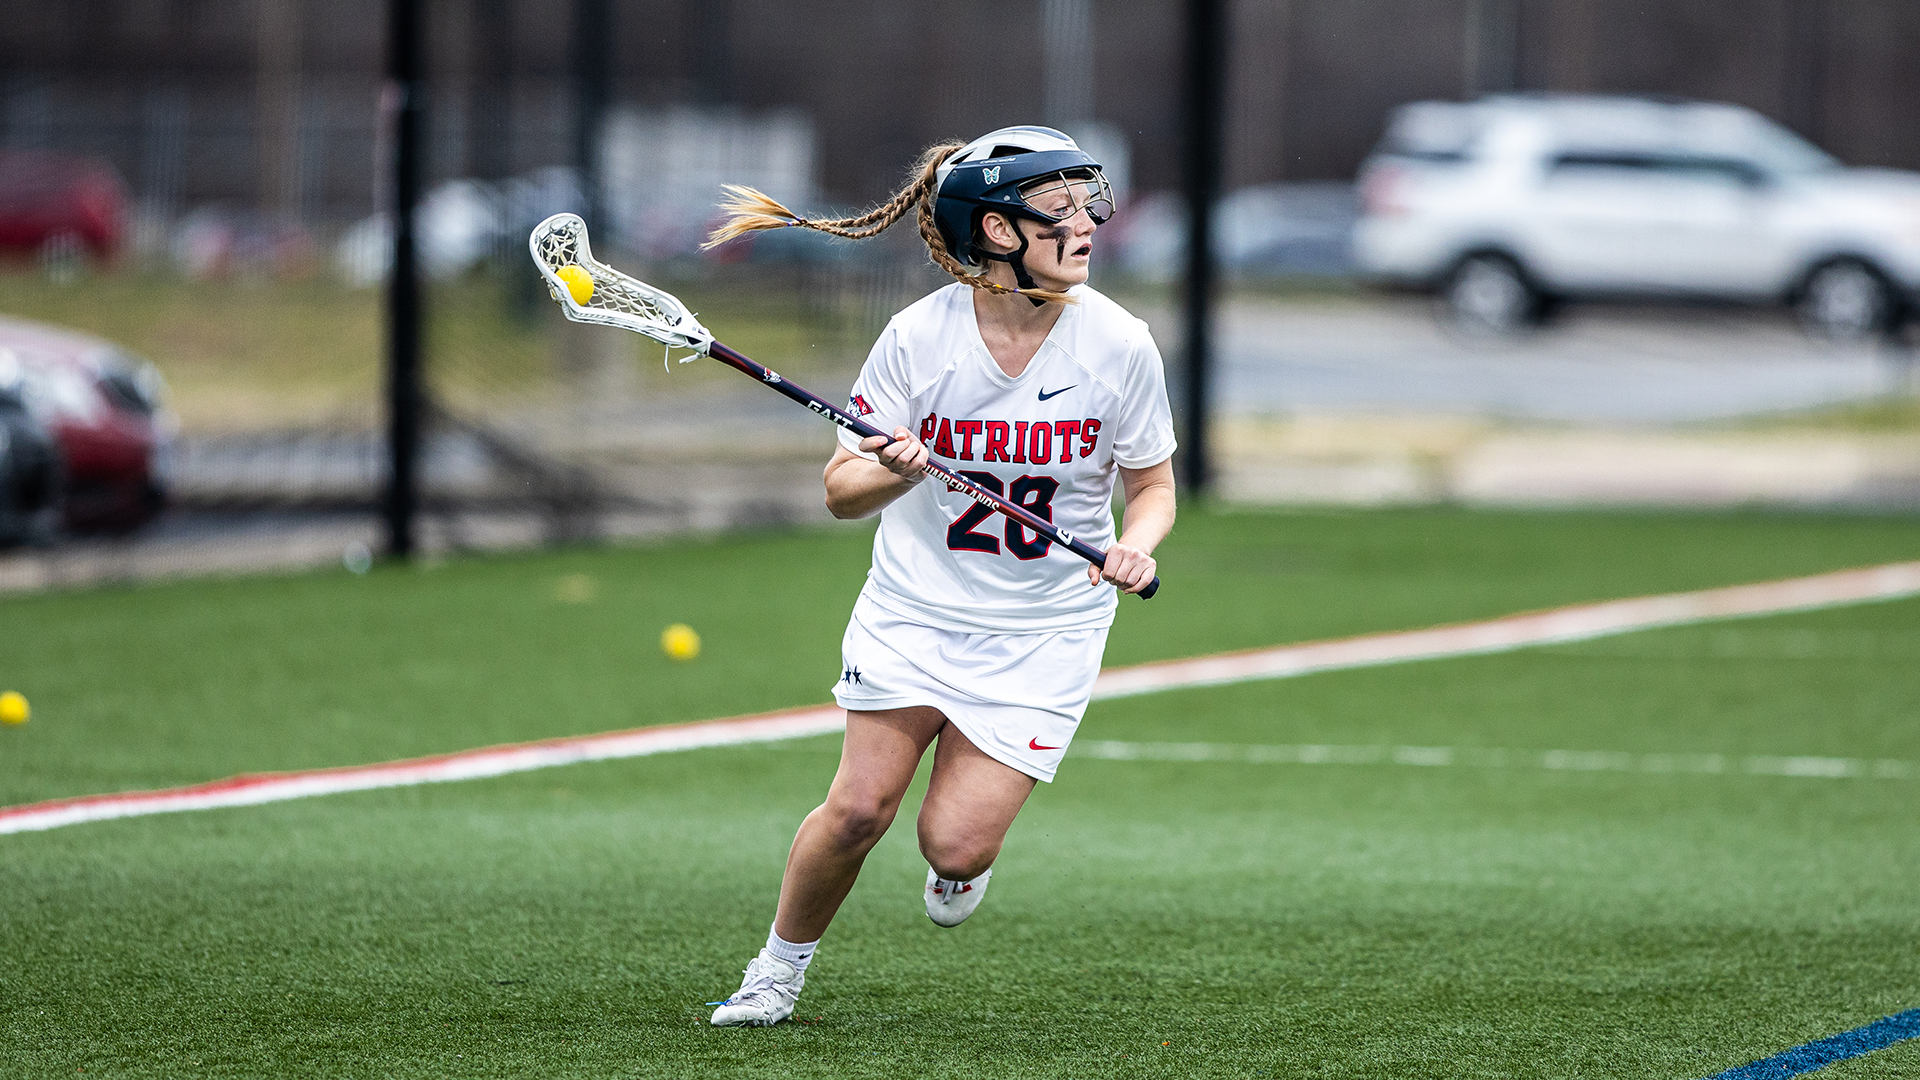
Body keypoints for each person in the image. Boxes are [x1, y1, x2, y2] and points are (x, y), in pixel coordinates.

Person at [701, 126, 1177, 1027]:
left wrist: (1137, 544)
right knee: (856, 810)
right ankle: (775, 973)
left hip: (1044, 630)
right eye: (1060, 207)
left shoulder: (1120, 346)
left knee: (952, 845)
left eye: (1087, 201)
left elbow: (1152, 487)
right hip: (913, 610)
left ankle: (962, 864)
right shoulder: (919, 339)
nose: (1086, 224)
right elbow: (843, 493)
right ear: (997, 230)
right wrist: (897, 468)